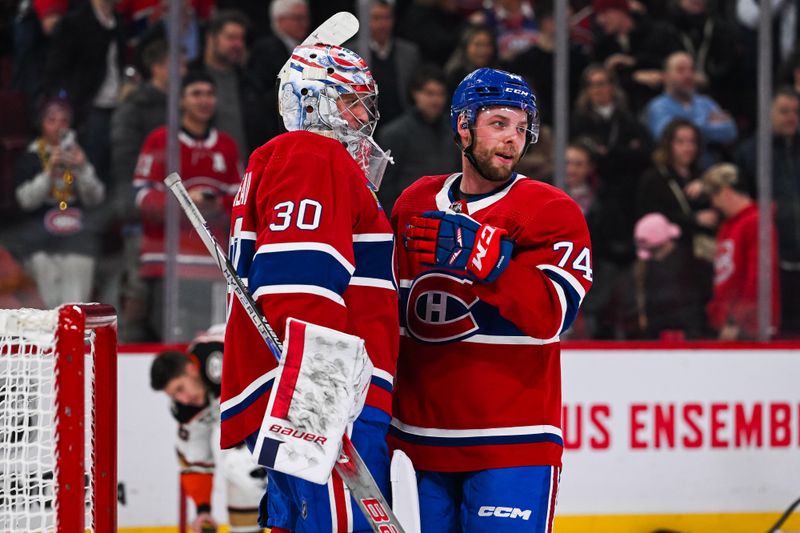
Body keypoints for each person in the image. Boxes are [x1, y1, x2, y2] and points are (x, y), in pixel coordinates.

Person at [390, 68, 592, 532]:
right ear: (463, 126)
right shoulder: (414, 201)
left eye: (521, 128)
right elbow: (389, 306)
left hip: (512, 442)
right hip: (415, 441)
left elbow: (553, 317)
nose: (512, 140)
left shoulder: (551, 210)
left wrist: (489, 262)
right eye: (499, 123)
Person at [221, 43, 399, 532]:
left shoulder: (289, 158)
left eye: (364, 101)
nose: (363, 114)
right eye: (349, 100)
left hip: (306, 388)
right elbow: (300, 286)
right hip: (327, 391)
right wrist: (323, 402)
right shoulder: (310, 153)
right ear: (311, 100)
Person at [132, 71, 241, 341]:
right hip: (167, 265)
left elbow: (240, 201)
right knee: (169, 340)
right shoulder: (160, 141)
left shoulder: (226, 146)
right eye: (196, 94)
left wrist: (215, 204)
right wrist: (186, 202)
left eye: (209, 94)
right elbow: (142, 199)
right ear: (180, 101)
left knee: (211, 343)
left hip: (213, 266)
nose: (204, 100)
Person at [150, 325, 265, 533]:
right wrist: (203, 508)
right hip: (261, 422)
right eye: (174, 395)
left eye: (180, 389)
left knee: (241, 461)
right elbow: (194, 458)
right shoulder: (186, 407)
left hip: (291, 399)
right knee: (236, 467)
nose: (183, 399)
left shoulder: (220, 357)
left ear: (191, 369)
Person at [14, 98, 106, 308]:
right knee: (45, 284)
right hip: (39, 237)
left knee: (76, 290)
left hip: (77, 237)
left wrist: (82, 168)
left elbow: (96, 198)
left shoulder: (82, 154)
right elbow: (25, 202)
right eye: (51, 120)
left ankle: (74, 333)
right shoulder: (30, 157)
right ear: (41, 124)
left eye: (64, 120)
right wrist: (48, 173)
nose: (58, 126)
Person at [736, 88, 800, 337]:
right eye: (784, 111)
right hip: (774, 259)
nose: (791, 117)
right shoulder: (751, 152)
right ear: (769, 114)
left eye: (795, 112)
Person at [702, 164, 780, 340]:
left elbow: (758, 277)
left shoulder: (756, 222)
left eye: (714, 196)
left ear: (726, 192)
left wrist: (737, 321)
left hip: (749, 326)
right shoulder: (727, 226)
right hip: (730, 323)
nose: (713, 204)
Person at [377, 65, 461, 215]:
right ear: (415, 94)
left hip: (449, 214)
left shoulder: (455, 131)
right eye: (430, 93)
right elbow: (385, 188)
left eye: (441, 94)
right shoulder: (393, 133)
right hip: (407, 216)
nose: (436, 100)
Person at [645, 51, 737, 165]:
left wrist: (686, 126)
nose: (688, 75)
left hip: (709, 167)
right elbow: (667, 136)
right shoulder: (658, 106)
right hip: (675, 169)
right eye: (681, 70)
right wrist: (707, 122)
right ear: (666, 76)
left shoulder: (705, 102)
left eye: (691, 70)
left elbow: (729, 131)